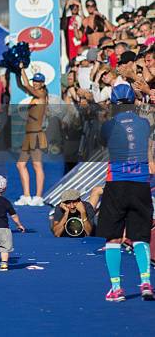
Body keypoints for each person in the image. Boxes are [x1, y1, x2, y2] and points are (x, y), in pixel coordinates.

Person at [97, 84, 155, 301]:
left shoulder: (109, 125)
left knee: (112, 239)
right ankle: (147, 283)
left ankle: (116, 287)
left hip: (117, 183)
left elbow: (103, 143)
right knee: (141, 237)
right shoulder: (144, 123)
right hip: (140, 182)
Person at [15, 67, 48, 206]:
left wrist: (22, 69)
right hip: (29, 135)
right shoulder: (35, 96)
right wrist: (17, 72)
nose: (35, 83)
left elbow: (26, 85)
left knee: (36, 165)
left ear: (42, 84)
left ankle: (39, 197)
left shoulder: (41, 94)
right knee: (20, 164)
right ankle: (27, 196)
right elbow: (21, 85)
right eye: (34, 81)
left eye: (38, 81)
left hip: (36, 134)